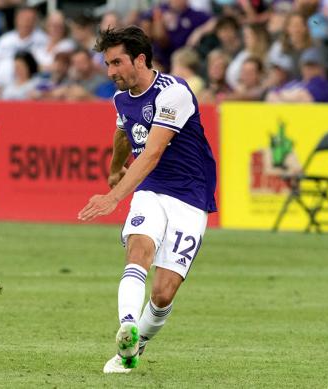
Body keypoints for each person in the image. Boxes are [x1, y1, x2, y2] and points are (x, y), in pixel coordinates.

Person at [77, 26, 217, 373]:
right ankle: (127, 325)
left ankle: (133, 347)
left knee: (163, 293)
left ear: (140, 59)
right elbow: (124, 130)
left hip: (189, 193)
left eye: (117, 63)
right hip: (150, 188)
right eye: (107, 64)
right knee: (139, 250)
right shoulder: (120, 98)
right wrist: (114, 170)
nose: (111, 72)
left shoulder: (174, 93)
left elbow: (152, 152)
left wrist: (113, 197)